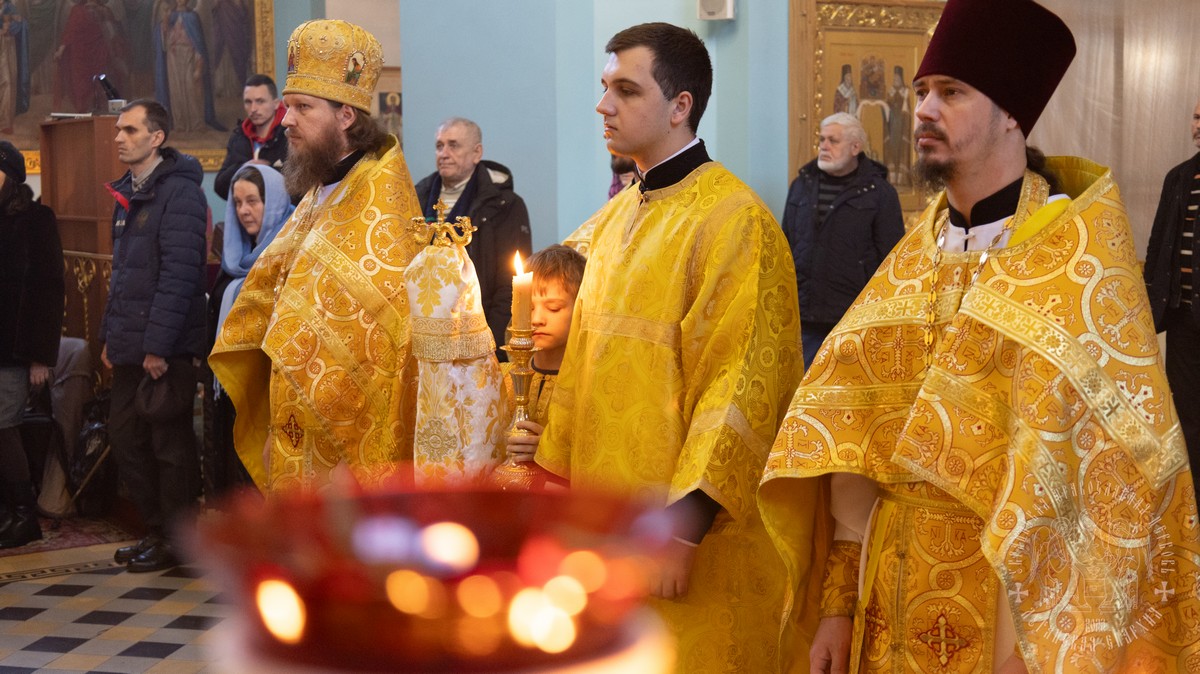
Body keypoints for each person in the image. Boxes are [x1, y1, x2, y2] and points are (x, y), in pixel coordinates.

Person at [759, 0, 1200, 672]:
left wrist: (1036, 646)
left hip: (1013, 609)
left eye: (952, 92)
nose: (925, 110)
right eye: (922, 93)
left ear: (1012, 113)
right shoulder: (913, 258)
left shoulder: (1074, 261)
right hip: (890, 590)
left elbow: (1115, 480)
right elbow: (852, 445)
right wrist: (837, 605)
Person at [535, 23, 808, 673]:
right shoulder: (614, 219)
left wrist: (685, 528)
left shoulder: (735, 221)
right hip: (606, 525)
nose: (604, 105)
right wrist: (552, 481)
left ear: (680, 105)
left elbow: (741, 383)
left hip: (688, 539)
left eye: (626, 90)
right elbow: (581, 368)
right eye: (605, 87)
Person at [209, 20, 424, 494]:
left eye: (302, 107)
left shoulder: (381, 208)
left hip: (348, 454)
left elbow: (385, 352)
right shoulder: (321, 190)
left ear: (346, 116)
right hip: (292, 431)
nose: (285, 120)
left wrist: (354, 461)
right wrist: (274, 425)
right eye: (287, 106)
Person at [102, 99, 207, 573]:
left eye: (129, 129)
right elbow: (123, 274)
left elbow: (180, 276)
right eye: (118, 130)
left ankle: (179, 542)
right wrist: (109, 335)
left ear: (156, 137)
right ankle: (155, 530)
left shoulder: (180, 193)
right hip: (130, 343)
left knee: (169, 448)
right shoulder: (128, 192)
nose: (119, 138)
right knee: (126, 439)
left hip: (165, 348)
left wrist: (158, 346)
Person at [782, 112, 904, 368]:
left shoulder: (879, 193)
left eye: (833, 141)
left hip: (854, 319)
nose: (824, 146)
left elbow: (893, 261)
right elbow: (786, 247)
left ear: (855, 147)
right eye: (822, 140)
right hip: (804, 318)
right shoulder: (801, 186)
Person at [205, 164, 293, 499]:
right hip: (234, 382)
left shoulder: (287, 250)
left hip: (269, 381)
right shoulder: (234, 256)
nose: (244, 210)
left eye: (253, 201)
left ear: (273, 202)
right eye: (238, 202)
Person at [414, 118, 532, 357]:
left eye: (453, 145)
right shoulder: (417, 197)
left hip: (480, 331)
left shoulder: (505, 205)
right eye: (439, 146)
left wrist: (490, 346)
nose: (444, 154)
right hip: (425, 330)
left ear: (477, 153)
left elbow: (509, 283)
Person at [0, 141, 63, 548]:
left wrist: (41, 356)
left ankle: (25, 516)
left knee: (3, 427)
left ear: (10, 175)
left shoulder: (38, 219)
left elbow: (50, 289)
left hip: (16, 349)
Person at [1145, 100, 1200, 497]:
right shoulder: (1179, 177)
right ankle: (1191, 500)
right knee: (1186, 413)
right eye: (1197, 116)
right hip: (1182, 318)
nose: (1199, 124)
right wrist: (1148, 304)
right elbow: (1159, 242)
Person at [502, 244, 585, 464]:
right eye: (528, 308)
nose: (537, 319)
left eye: (554, 308)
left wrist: (552, 451)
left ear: (580, 308)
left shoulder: (587, 386)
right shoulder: (503, 380)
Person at [214, 74, 288, 200]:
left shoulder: (289, 134)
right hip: (244, 210)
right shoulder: (238, 137)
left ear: (276, 104)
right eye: (248, 102)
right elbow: (220, 187)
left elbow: (299, 186)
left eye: (260, 101)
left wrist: (265, 171)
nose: (253, 109)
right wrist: (245, 167)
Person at [153, 0, 223, 133]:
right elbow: (163, 40)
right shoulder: (170, 16)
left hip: (189, 56)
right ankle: (179, 123)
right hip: (173, 57)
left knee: (192, 89)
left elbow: (199, 44)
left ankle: (196, 123)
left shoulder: (193, 17)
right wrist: (165, 24)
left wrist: (199, 65)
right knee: (176, 91)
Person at [0, 1, 29, 134]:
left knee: (8, 82)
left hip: (7, 48)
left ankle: (5, 122)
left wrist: (12, 24)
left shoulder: (10, 7)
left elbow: (21, 24)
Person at [885, 65, 912, 186]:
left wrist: (905, 98)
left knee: (902, 148)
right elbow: (886, 108)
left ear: (901, 79)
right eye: (894, 78)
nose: (895, 80)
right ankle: (892, 176)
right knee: (892, 148)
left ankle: (901, 177)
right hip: (892, 126)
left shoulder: (905, 92)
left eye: (897, 78)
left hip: (902, 125)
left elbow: (908, 110)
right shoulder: (890, 92)